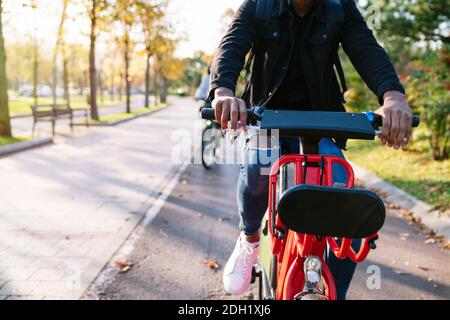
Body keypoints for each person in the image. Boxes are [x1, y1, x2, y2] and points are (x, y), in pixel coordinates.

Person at [208, 0, 413, 300]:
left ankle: (335, 294)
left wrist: (393, 95)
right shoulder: (259, 5)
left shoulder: (340, 7)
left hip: (321, 121)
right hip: (267, 119)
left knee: (343, 194)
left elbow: (366, 49)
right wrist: (223, 92)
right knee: (258, 166)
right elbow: (232, 44)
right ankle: (249, 239)